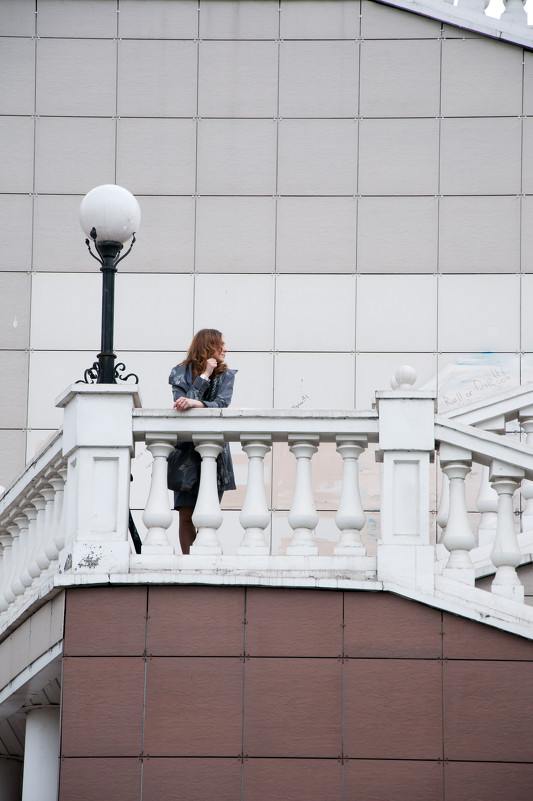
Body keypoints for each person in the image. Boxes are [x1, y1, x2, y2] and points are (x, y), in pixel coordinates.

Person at [168, 329, 237, 554]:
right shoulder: (179, 372)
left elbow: (222, 405)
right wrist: (205, 375)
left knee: (207, 514)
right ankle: (190, 563)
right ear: (209, 346)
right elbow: (181, 403)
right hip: (185, 452)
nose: (226, 349)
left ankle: (204, 560)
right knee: (186, 514)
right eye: (221, 344)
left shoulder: (227, 375)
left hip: (214, 453)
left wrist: (197, 404)